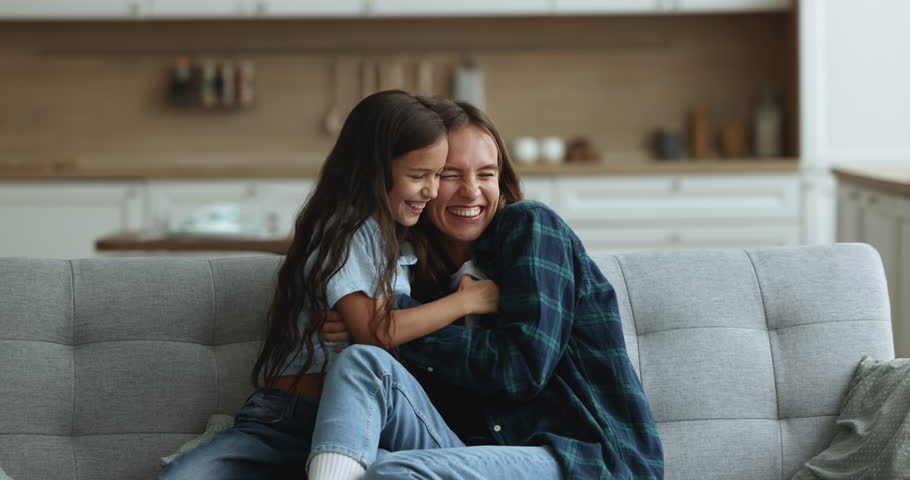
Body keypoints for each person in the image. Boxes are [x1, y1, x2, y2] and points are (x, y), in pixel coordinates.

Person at [307, 100, 664, 480]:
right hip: (477, 452)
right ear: (422, 182)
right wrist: (382, 330)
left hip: (581, 459)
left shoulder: (530, 228)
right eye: (450, 175)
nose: (472, 190)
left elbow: (522, 370)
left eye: (486, 173)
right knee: (362, 364)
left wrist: (386, 328)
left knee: (396, 472)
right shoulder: (416, 276)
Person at [158, 90, 500, 480]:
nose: (433, 190)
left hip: (362, 423)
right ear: (373, 171)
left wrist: (380, 321)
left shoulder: (401, 242)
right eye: (419, 176)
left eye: (438, 175)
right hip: (287, 418)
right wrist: (465, 302)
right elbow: (376, 335)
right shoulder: (349, 230)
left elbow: (375, 337)